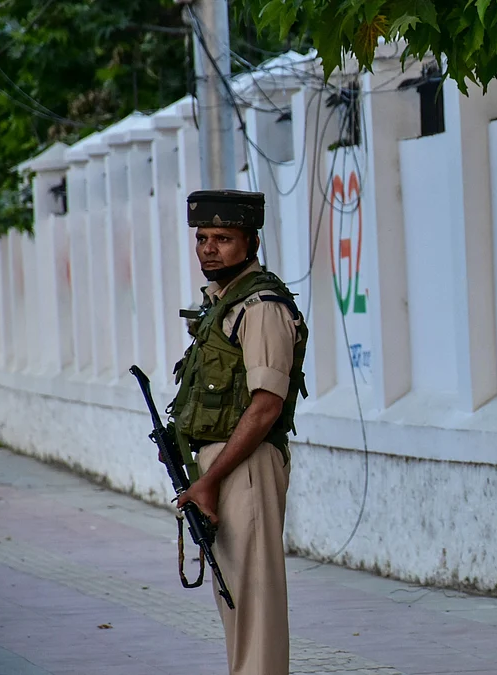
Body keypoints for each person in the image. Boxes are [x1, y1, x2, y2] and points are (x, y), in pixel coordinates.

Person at [169, 189, 309, 675]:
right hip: (223, 466)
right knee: (236, 602)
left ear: (250, 241)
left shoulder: (262, 307)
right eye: (202, 237)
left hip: (246, 465)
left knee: (255, 602)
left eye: (223, 238)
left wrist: (209, 480)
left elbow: (266, 406)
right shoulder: (222, 303)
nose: (209, 248)